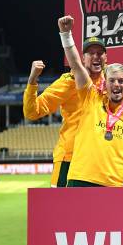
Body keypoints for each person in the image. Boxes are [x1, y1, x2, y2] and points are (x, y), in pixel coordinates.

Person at [56, 15, 123, 187]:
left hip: (113, 185)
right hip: (80, 179)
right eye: (111, 80)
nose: (116, 85)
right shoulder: (91, 98)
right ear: (105, 84)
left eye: (120, 81)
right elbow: (76, 65)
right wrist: (66, 34)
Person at [23, 37, 108, 187]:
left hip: (99, 158)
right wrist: (32, 81)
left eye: (100, 53)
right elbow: (32, 112)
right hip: (70, 157)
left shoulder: (112, 79)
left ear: (106, 57)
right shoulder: (68, 82)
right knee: (62, 208)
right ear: (83, 58)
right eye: (91, 53)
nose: (96, 56)